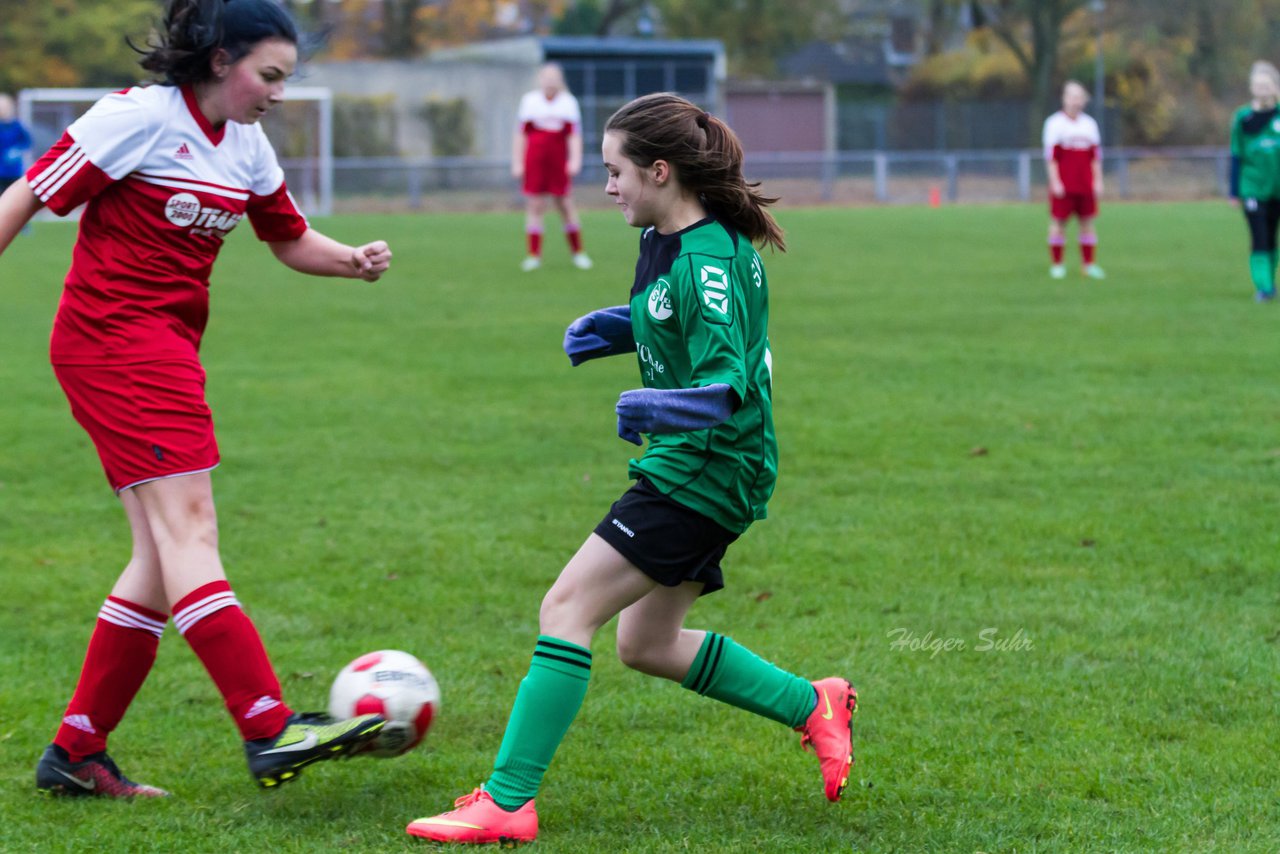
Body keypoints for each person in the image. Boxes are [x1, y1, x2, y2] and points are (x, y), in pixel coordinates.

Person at [405, 92, 857, 846]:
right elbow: (668, 314)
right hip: (707, 465)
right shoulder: (668, 238)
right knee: (643, 644)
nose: (606, 186)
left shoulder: (707, 260)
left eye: (615, 171)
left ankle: (509, 801)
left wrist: (653, 408)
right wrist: (612, 328)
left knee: (566, 610)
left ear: (659, 170)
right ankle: (813, 702)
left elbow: (724, 388)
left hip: (705, 467)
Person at [0, 0, 393, 798]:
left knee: (158, 556)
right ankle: (268, 725)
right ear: (221, 61)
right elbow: (31, 193)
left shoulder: (245, 147)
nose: (279, 93)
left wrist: (350, 259)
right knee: (191, 529)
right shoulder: (136, 120)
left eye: (288, 79)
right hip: (114, 343)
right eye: (270, 75)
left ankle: (75, 752)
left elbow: (286, 238)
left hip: (167, 350)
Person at [512, 62, 592, 272]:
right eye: (546, 76)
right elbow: (521, 134)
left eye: (553, 76)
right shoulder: (529, 101)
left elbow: (574, 135)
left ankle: (578, 253)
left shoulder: (568, 102)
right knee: (535, 206)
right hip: (535, 160)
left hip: (557, 160)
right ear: (540, 79)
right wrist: (518, 162)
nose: (550, 80)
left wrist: (575, 160)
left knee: (565, 204)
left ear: (560, 79)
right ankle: (533, 255)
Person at [1229, 60, 1280, 302]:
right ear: (1252, 88)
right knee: (1259, 236)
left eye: (1266, 85)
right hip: (1252, 188)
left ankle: (1270, 281)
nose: (1262, 89)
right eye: (1257, 85)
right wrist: (1233, 191)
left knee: (1271, 237)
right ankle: (1264, 286)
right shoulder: (1243, 118)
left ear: (1275, 87)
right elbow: (1236, 155)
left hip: (1277, 188)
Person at [1043, 80, 1105, 280]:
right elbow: (1052, 158)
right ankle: (1057, 265)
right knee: (1058, 222)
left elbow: (1095, 157)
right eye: (1072, 97)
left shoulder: (1089, 124)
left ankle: (1088, 265)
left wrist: (1097, 181)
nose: (1076, 101)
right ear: (1064, 98)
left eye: (1079, 97)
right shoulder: (1054, 124)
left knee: (1087, 222)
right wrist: (1056, 182)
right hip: (1064, 184)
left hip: (1085, 183)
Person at [0, 92, 33, 208]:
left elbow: (27, 142)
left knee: (16, 200)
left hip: (14, 170)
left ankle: (23, 225)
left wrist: (17, 151)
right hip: (0, 171)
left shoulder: (17, 126)